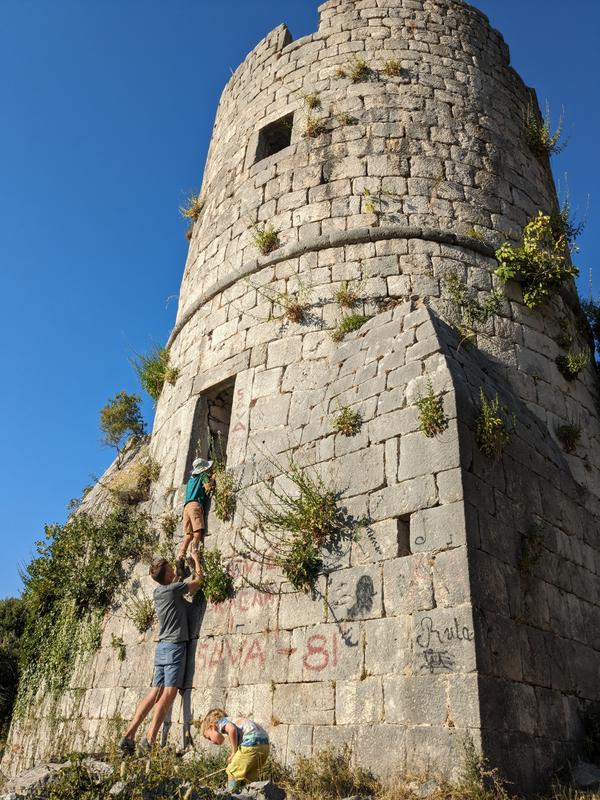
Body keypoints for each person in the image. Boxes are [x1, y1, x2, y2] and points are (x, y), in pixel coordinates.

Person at [118, 550, 203, 755]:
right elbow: (198, 582)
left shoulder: (159, 592)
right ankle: (150, 739)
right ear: (167, 576)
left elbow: (175, 583)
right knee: (169, 692)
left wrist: (177, 571)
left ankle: (129, 735)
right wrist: (197, 560)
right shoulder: (175, 589)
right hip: (174, 646)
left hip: (162, 646)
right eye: (171, 569)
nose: (174, 570)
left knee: (154, 691)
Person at [197, 708, 270, 791]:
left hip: (251, 742)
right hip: (264, 745)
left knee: (231, 770)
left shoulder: (221, 722)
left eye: (209, 738)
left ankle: (230, 794)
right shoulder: (232, 721)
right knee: (249, 775)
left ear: (211, 727)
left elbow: (232, 729)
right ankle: (252, 794)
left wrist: (233, 752)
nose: (212, 742)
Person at [176, 457, 213, 578]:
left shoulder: (190, 481)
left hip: (186, 507)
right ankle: (194, 550)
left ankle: (180, 557)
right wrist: (212, 480)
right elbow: (208, 488)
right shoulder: (203, 476)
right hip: (195, 505)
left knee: (188, 535)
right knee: (198, 532)